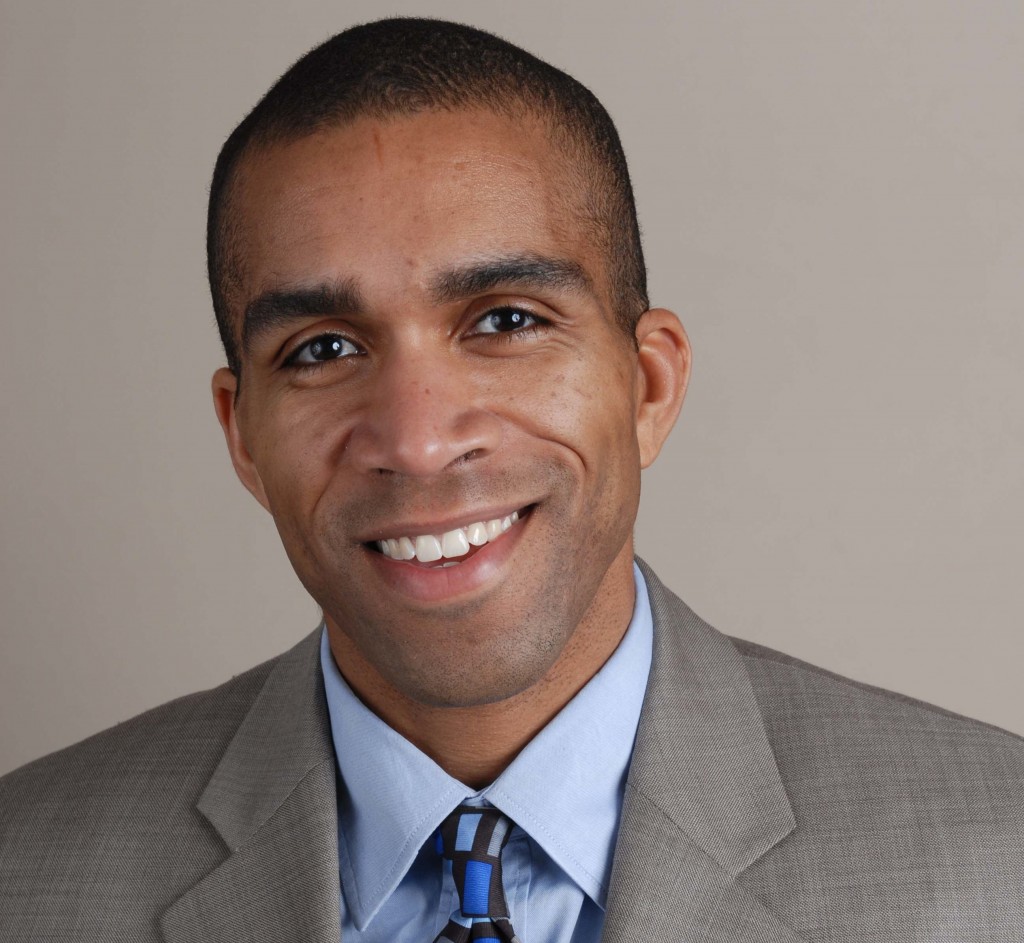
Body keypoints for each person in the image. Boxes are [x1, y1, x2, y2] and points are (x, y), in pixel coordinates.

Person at [1, 17, 1021, 943]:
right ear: (243, 437)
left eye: (503, 320)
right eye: (320, 349)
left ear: (647, 383)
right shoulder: (27, 877)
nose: (418, 439)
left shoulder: (998, 858)